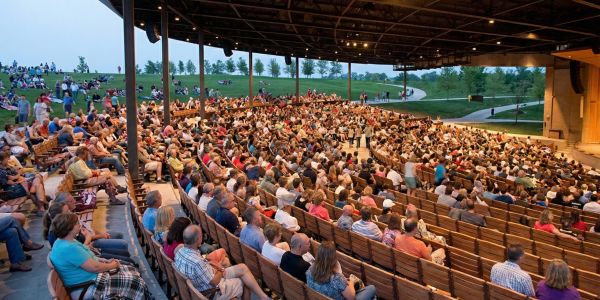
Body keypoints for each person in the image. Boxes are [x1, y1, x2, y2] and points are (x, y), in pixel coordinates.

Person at [49, 212, 151, 300]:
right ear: (69, 228)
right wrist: (112, 265)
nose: (79, 225)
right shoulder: (69, 248)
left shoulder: (63, 241)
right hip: (88, 287)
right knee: (134, 281)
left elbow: (87, 255)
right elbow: (94, 267)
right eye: (77, 223)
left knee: (130, 268)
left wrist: (104, 260)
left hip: (90, 280)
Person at [174, 225, 269, 300]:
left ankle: (262, 296)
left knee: (243, 267)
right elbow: (214, 282)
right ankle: (262, 296)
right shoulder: (197, 262)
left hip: (203, 280)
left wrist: (212, 265)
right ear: (199, 238)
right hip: (211, 291)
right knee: (244, 281)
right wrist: (219, 269)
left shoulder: (180, 251)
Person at [306, 241, 376, 300]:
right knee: (372, 288)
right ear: (333, 258)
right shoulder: (337, 278)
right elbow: (352, 297)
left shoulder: (310, 270)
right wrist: (351, 282)